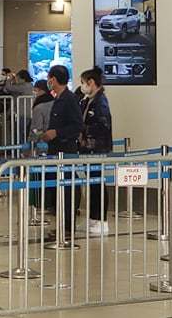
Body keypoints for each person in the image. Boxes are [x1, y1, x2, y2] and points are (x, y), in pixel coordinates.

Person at [42, 65, 82, 238]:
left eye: (49, 78)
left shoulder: (69, 99)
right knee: (58, 189)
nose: (48, 81)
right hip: (55, 150)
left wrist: (57, 132)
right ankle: (61, 225)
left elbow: (77, 125)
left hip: (65, 150)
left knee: (67, 189)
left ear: (53, 79)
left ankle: (67, 227)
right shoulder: (58, 99)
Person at [78, 67, 113, 236]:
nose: (82, 86)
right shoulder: (88, 101)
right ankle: (93, 218)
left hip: (97, 148)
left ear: (91, 82)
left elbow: (103, 126)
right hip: (88, 148)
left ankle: (101, 220)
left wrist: (85, 131)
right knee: (92, 183)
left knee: (97, 183)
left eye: (83, 82)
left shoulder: (101, 102)